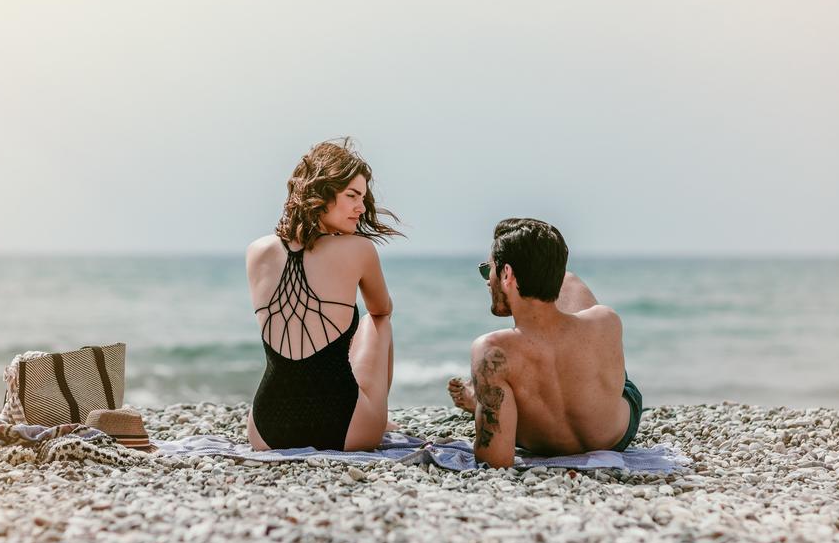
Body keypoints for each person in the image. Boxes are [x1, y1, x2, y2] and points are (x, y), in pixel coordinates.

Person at [447, 218, 643, 468]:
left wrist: (482, 405)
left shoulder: (490, 349)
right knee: (570, 283)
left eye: (489, 270)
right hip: (615, 435)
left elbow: (495, 460)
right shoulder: (607, 319)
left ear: (506, 274)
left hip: (543, 442)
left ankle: (478, 398)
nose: (488, 280)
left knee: (509, 377)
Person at [246, 139, 402, 451]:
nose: (360, 207)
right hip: (346, 427)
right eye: (352, 196)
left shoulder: (257, 251)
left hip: (266, 430)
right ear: (322, 194)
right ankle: (379, 418)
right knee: (379, 320)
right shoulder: (359, 248)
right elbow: (382, 308)